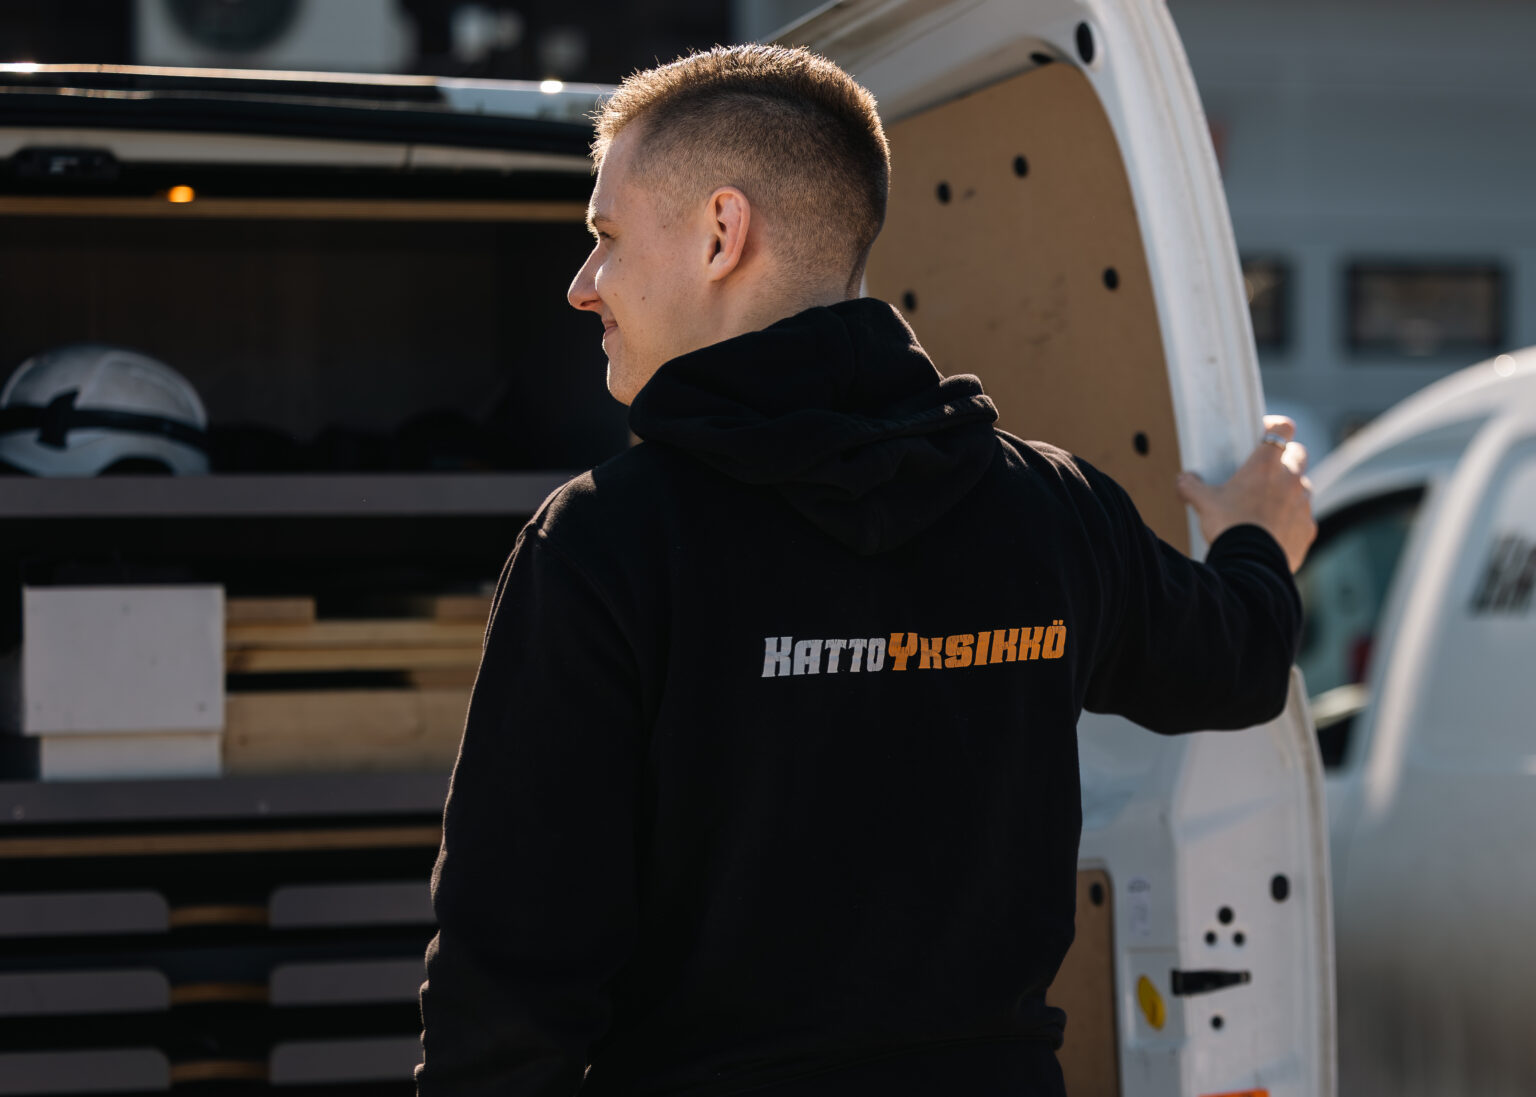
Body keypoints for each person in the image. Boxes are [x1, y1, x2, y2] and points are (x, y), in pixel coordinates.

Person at [416, 44, 1314, 1097]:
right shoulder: (1051, 511)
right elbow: (1240, 661)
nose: (582, 286)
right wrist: (1257, 538)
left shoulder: (604, 544)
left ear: (721, 232)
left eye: (605, 237)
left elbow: (508, 984)